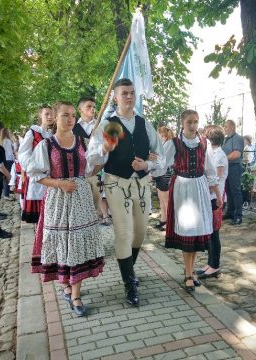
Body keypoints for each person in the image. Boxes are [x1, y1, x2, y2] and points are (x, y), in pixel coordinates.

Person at [87, 78, 164, 306]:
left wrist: (146, 165)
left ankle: (129, 269)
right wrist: (104, 148)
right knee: (123, 233)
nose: (129, 97)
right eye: (124, 93)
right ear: (115, 97)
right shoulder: (109, 124)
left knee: (140, 232)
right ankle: (129, 284)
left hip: (141, 184)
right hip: (116, 183)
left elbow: (162, 157)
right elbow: (91, 158)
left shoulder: (144, 124)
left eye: (132, 93)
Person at [28, 101, 105, 317]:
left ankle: (76, 294)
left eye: (72, 115)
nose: (70, 119)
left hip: (80, 197)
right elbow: (36, 174)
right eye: (65, 115)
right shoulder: (46, 145)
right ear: (56, 117)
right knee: (62, 242)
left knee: (78, 241)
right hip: (58, 199)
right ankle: (65, 284)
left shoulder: (83, 142)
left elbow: (90, 170)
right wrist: (60, 183)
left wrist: (104, 156)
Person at [164, 110, 222, 291]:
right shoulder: (174, 143)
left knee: (196, 233)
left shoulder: (203, 143)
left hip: (199, 188)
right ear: (182, 123)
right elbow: (161, 163)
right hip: (182, 188)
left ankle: (191, 272)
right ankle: (188, 274)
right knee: (188, 232)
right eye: (189, 121)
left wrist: (218, 194)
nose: (193, 125)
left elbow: (210, 171)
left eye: (195, 121)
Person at [196, 125, 227, 279]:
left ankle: (215, 266)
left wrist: (206, 188)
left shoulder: (220, 155)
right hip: (208, 197)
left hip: (215, 198)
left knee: (214, 234)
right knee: (209, 233)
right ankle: (210, 263)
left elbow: (218, 177)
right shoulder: (211, 152)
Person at [17, 105, 54, 223]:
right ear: (40, 115)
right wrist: (32, 167)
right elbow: (23, 153)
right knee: (39, 215)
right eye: (46, 114)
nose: (50, 117)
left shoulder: (51, 134)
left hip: (50, 176)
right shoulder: (33, 133)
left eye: (51, 114)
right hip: (36, 176)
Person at [222, 120, 244, 225]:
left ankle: (238, 216)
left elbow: (236, 154)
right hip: (227, 167)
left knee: (236, 191)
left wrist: (222, 159)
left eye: (226, 127)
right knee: (228, 191)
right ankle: (230, 212)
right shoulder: (226, 139)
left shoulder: (238, 138)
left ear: (232, 127)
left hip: (234, 167)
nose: (224, 128)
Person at [152, 126, 174, 231]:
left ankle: (169, 222)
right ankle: (163, 218)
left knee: (166, 199)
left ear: (162, 134)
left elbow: (164, 159)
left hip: (166, 173)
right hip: (160, 173)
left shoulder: (169, 143)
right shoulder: (163, 143)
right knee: (161, 197)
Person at [0, 128, 15, 200]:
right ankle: (6, 194)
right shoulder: (8, 141)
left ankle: (5, 191)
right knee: (8, 177)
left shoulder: (0, 141)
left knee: (4, 176)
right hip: (9, 160)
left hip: (3, 160)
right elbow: (10, 152)